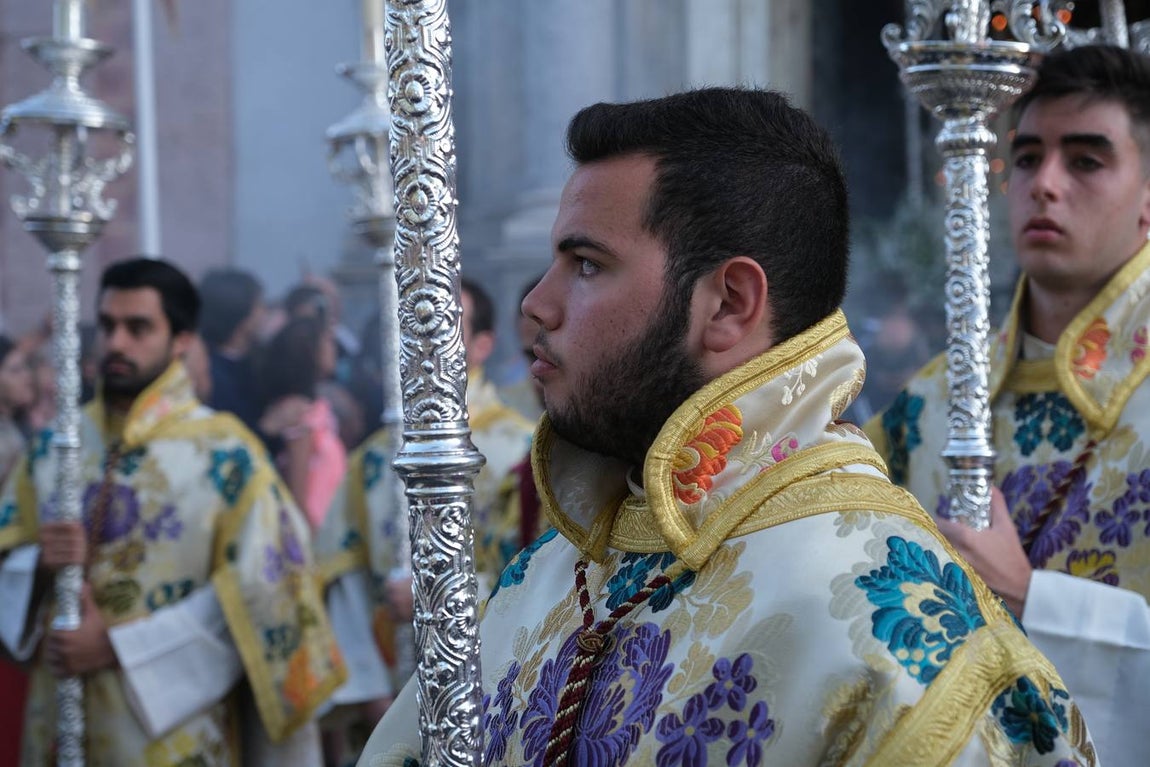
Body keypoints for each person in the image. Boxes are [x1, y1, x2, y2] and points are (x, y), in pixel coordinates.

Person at [358, 88, 1095, 766]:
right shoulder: (551, 572)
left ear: (729, 303)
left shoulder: (889, 638)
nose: (535, 306)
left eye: (585, 264)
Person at [865, 45, 1150, 767]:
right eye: (1026, 159)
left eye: (1086, 161)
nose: (1044, 184)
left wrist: (1032, 598)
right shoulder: (928, 403)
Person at [0, 258, 344, 766]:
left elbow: (268, 595)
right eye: (110, 325)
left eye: (138, 328)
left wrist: (119, 647)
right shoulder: (55, 447)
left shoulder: (226, 455)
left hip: (175, 734)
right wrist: (38, 565)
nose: (116, 343)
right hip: (60, 721)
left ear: (182, 339)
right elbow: (9, 557)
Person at [258, 316, 348, 532]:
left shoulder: (315, 407)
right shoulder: (298, 413)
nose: (333, 347)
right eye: (326, 341)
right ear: (310, 351)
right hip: (315, 538)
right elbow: (296, 496)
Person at [199, 268, 265, 432]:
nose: (264, 312)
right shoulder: (211, 373)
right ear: (242, 313)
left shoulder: (257, 361)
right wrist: (266, 429)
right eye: (259, 305)